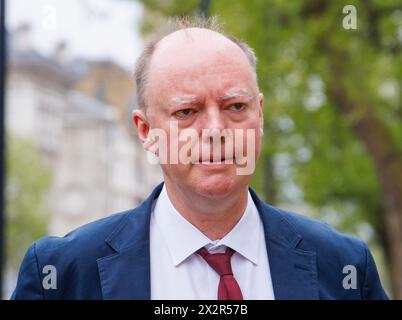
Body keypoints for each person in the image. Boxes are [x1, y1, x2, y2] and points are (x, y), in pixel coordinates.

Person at [12, 18, 388, 300]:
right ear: (146, 131)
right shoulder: (62, 276)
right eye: (186, 112)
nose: (215, 129)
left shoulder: (344, 268)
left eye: (235, 106)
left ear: (261, 115)